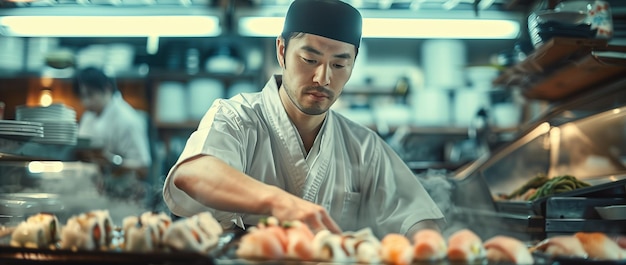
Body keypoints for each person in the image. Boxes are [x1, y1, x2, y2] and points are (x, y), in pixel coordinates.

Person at [163, 0, 444, 238]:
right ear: (282, 51)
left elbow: (418, 218)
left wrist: (426, 245)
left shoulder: (364, 147)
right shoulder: (238, 117)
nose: (323, 78)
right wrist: (280, 202)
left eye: (339, 65)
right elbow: (193, 173)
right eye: (310, 60)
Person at [73, 66, 152, 202]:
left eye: (90, 95)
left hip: (125, 197)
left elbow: (143, 167)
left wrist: (112, 161)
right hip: (93, 193)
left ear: (107, 88)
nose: (85, 102)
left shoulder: (128, 120)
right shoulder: (88, 117)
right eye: (82, 96)